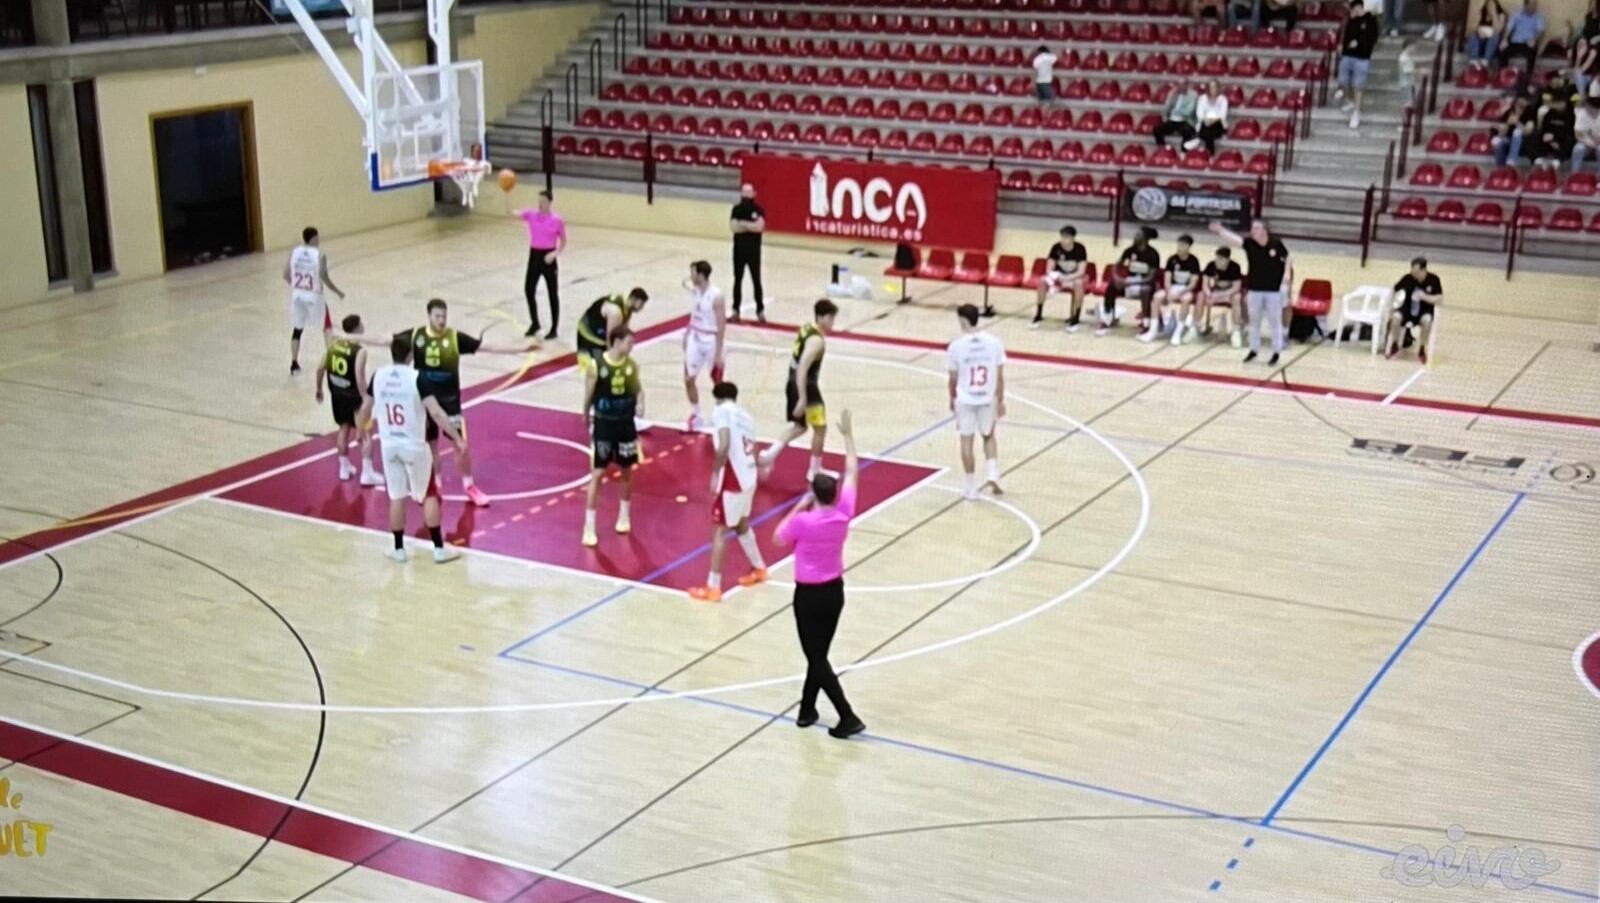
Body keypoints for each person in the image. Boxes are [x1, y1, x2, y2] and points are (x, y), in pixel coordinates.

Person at [343, 299, 535, 507]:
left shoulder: (454, 338)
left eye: (444, 316)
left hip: (449, 402)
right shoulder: (416, 336)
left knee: (460, 446)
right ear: (429, 316)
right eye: (437, 316)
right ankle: (436, 484)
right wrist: (348, 336)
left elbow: (487, 347)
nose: (442, 320)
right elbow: (383, 339)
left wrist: (521, 348)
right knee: (430, 447)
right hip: (424, 403)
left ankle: (469, 485)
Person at [773, 409, 865, 740]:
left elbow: (778, 537)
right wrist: (848, 436)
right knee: (819, 655)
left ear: (815, 493)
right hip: (834, 593)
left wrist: (799, 506)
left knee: (815, 656)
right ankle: (807, 709)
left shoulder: (804, 521)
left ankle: (847, 716)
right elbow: (852, 472)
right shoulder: (844, 512)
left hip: (808, 595)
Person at [360, 336, 465, 564]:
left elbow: (365, 409)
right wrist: (456, 437)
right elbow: (436, 413)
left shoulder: (378, 376)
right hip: (414, 445)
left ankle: (398, 549)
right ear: (411, 355)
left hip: (389, 445)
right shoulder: (417, 378)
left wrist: (361, 431)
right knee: (428, 495)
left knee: (396, 496)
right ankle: (439, 548)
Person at [688, 381, 769, 602]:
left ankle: (713, 587)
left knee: (719, 530)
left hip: (733, 478)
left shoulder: (721, 411)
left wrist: (715, 472)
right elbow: (754, 447)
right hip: (749, 475)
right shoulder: (746, 416)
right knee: (741, 523)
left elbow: (723, 444)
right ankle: (759, 568)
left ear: (717, 398)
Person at [760, 300, 837, 482]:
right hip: (806, 386)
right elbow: (802, 366)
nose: (832, 322)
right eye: (830, 318)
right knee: (820, 428)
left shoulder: (807, 328)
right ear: (820, 317)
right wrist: (802, 397)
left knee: (800, 427)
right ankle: (814, 470)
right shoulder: (816, 341)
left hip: (793, 381)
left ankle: (770, 454)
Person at [581, 326, 645, 548]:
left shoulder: (631, 366)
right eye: (629, 342)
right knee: (598, 473)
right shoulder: (597, 366)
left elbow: (638, 389)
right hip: (604, 425)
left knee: (627, 470)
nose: (632, 346)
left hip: (626, 425)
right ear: (617, 341)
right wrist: (585, 415)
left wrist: (641, 403)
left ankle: (624, 516)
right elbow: (588, 393)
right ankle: (589, 526)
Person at [1209, 219, 1291, 365]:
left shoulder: (1276, 243)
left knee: (1274, 322)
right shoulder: (1249, 244)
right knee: (1254, 322)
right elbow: (1235, 239)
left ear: (1264, 230)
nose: (1253, 231)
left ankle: (1276, 351)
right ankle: (1254, 349)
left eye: (1256, 228)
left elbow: (1288, 257)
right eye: (1252, 228)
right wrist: (1221, 230)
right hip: (1254, 290)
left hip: (1273, 291)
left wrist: (1287, 273)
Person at [947, 305, 1006, 500]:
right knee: (989, 435)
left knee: (966, 441)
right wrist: (1000, 399)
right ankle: (992, 473)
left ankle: (970, 487)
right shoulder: (995, 343)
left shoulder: (956, 346)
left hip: (966, 399)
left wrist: (952, 399)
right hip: (987, 397)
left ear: (963, 321)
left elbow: (953, 379)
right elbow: (1000, 376)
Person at [315, 314, 381, 486]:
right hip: (354, 396)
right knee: (365, 433)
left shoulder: (333, 345)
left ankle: (344, 468)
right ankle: (367, 473)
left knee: (343, 428)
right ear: (357, 328)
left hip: (337, 394)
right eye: (361, 324)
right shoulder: (359, 351)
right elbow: (360, 378)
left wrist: (319, 388)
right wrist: (366, 398)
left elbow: (320, 368)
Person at [283, 226, 345, 375]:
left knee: (297, 329)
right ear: (313, 238)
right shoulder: (320, 255)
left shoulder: (294, 252)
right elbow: (324, 277)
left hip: (297, 296)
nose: (319, 240)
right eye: (318, 238)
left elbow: (285, 275)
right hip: (314, 296)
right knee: (327, 327)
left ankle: (294, 363)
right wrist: (338, 292)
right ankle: (331, 361)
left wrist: (298, 286)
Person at [513, 190, 566, 340]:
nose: (540, 204)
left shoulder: (557, 220)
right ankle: (535, 323)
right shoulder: (531, 215)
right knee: (529, 289)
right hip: (534, 255)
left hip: (548, 257)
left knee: (552, 293)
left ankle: (554, 328)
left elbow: (563, 241)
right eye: (539, 201)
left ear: (549, 202)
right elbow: (513, 213)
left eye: (543, 201)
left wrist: (554, 254)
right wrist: (507, 196)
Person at [682, 260, 727, 431]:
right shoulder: (695, 291)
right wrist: (687, 333)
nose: (690, 276)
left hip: (711, 339)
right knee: (688, 379)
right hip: (695, 336)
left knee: (717, 380)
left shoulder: (717, 295)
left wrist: (718, 352)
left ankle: (720, 414)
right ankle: (697, 414)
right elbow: (694, 313)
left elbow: (721, 324)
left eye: (693, 272)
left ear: (701, 275)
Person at [1099, 227, 1160, 338]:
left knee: (1145, 291)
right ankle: (1107, 319)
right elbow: (1116, 266)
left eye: (1138, 235)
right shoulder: (1130, 250)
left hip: (1144, 283)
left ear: (1145, 238)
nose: (1135, 237)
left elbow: (1151, 277)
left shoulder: (1153, 254)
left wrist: (1132, 283)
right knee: (1111, 287)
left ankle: (1146, 323)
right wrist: (1117, 278)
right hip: (1130, 281)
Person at [1148, 234, 1204, 345]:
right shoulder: (1172, 259)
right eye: (1178, 244)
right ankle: (1152, 330)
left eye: (1182, 245)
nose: (1179, 247)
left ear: (1188, 246)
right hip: (1173, 287)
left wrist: (1180, 293)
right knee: (1157, 297)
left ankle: (1178, 331)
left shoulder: (1194, 261)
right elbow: (1167, 279)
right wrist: (1169, 292)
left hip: (1186, 289)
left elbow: (1193, 283)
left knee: (1186, 299)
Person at [1386, 257, 1443, 364]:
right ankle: (1395, 343)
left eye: (1416, 272)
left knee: (1427, 321)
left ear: (1423, 270)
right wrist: (1391, 307)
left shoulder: (1434, 279)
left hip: (1424, 310)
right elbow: (1394, 289)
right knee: (1395, 317)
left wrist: (1424, 297)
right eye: (1412, 271)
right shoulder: (1408, 278)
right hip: (1406, 310)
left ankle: (1422, 348)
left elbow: (1439, 299)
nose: (1413, 274)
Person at [1334, 0, 1381, 130]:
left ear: (1359, 8)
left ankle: (1356, 111)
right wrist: (1342, 47)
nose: (1352, 12)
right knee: (1344, 81)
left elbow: (1373, 38)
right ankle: (1350, 100)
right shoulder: (1350, 21)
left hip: (1362, 58)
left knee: (1358, 85)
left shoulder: (1371, 20)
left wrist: (1359, 43)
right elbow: (1346, 36)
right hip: (1347, 55)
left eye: (1353, 10)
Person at [576, 288, 650, 368]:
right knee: (596, 370)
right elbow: (611, 339)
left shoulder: (627, 306)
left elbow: (623, 333)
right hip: (587, 336)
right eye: (641, 305)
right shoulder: (615, 312)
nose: (641, 308)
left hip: (597, 332)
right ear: (634, 299)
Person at [1032, 224, 1088, 330]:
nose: (1063, 240)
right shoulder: (1056, 247)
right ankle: (1038, 314)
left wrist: (1068, 278)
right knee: (1042, 281)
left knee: (1079, 284)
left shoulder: (1080, 249)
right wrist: (1055, 277)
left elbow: (1081, 271)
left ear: (1073, 238)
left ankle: (1075, 317)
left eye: (1066, 237)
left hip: (1074, 277)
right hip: (1059, 276)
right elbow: (1049, 268)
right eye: (1062, 237)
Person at [729, 184, 767, 322]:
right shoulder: (736, 209)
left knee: (756, 281)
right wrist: (751, 225)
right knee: (737, 280)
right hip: (739, 250)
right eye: (744, 192)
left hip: (754, 252)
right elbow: (734, 227)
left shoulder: (758, 209)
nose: (746, 195)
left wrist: (743, 224)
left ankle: (760, 311)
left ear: (754, 193)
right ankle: (735, 310)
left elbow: (759, 227)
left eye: (748, 192)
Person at [1201, 246, 1246, 347]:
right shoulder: (1211, 265)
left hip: (1230, 293)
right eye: (1217, 258)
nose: (1218, 261)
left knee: (1237, 298)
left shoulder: (1235, 267)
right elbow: (1205, 284)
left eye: (1221, 259)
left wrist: (1223, 295)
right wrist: (1209, 293)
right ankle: (1196, 325)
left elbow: (1236, 287)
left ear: (1227, 259)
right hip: (1216, 292)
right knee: (1201, 296)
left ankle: (1236, 330)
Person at [1530, 91, 1577, 169]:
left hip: (1561, 139)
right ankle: (1539, 157)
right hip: (1548, 139)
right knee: (1536, 135)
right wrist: (1547, 137)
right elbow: (1544, 128)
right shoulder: (1549, 114)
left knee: (1569, 140)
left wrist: (1555, 137)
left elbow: (1569, 131)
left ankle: (1559, 158)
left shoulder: (1570, 115)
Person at [1501, 0, 1546, 73]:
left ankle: (1528, 75)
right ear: (1525, 5)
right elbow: (1509, 27)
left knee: (1532, 52)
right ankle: (1504, 74)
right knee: (1503, 50)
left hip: (1529, 42)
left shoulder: (1538, 16)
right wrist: (1504, 39)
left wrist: (1534, 39)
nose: (1534, 7)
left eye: (1535, 5)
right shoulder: (1517, 13)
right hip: (1515, 42)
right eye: (1531, 5)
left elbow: (1541, 31)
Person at [1153, 82, 1201, 149]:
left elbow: (1189, 111)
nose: (1181, 87)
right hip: (1173, 120)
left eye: (1183, 84)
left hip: (1186, 120)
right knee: (1157, 129)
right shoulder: (1173, 94)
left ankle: (1183, 151)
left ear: (1187, 85)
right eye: (1179, 85)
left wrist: (1176, 112)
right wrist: (1171, 96)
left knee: (1187, 131)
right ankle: (1163, 148)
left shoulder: (1193, 95)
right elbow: (1166, 108)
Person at [1491, 94, 1536, 164]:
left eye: (1522, 106)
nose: (1519, 108)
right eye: (1518, 105)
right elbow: (1503, 131)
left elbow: (1528, 131)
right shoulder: (1509, 112)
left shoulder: (1529, 114)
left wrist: (1517, 123)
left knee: (1517, 131)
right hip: (1509, 139)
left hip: (1524, 142)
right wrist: (1505, 126)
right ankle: (1500, 166)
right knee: (1496, 141)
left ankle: (1511, 160)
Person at [1467, 0, 1508, 66]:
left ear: (1496, 6)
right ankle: (1474, 58)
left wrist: (1494, 15)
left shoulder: (1501, 14)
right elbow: (1474, 27)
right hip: (1482, 38)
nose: (1490, 7)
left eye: (1492, 5)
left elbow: (1498, 30)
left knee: (1495, 36)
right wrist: (1478, 31)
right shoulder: (1483, 14)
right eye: (1488, 5)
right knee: (1473, 35)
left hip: (1493, 40)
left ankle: (1486, 59)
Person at [1196, 79, 1229, 153]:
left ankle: (1208, 153)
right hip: (1204, 123)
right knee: (1207, 131)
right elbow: (1199, 114)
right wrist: (1206, 120)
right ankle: (1210, 154)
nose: (1213, 89)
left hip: (1218, 124)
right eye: (1211, 87)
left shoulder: (1223, 99)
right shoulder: (1202, 98)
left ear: (1218, 88)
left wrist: (1211, 120)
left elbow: (1222, 115)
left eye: (1215, 87)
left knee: (1208, 132)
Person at [1573, 95, 1600, 172]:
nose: (1586, 108)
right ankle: (1575, 172)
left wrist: (1596, 141)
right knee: (1578, 148)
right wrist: (1588, 142)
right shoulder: (1582, 114)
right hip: (1585, 142)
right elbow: (1577, 134)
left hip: (1598, 142)